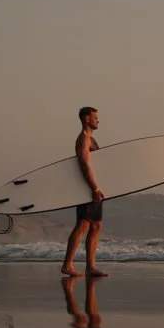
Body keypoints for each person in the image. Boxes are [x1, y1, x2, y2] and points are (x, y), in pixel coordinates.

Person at [60, 106, 108, 278]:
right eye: (95, 117)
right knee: (83, 225)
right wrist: (94, 188)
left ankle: (90, 266)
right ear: (87, 119)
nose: (98, 120)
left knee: (96, 225)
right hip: (88, 189)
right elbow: (84, 165)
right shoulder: (83, 139)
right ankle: (67, 264)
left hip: (94, 188)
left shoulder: (91, 139)